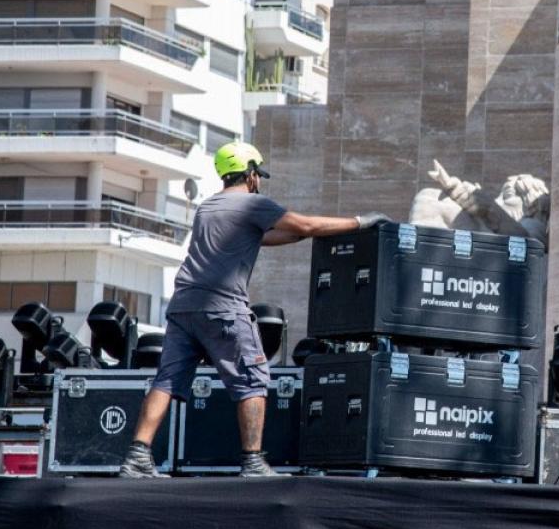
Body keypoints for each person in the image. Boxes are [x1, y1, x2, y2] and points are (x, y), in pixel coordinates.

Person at [119, 142, 388, 478]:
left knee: (167, 381)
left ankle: (137, 457)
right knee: (253, 380)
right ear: (249, 174)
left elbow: (260, 237)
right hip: (223, 308)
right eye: (257, 174)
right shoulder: (253, 204)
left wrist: (298, 237)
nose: (259, 180)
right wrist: (360, 222)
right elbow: (304, 224)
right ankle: (253, 462)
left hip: (184, 306)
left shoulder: (207, 207)